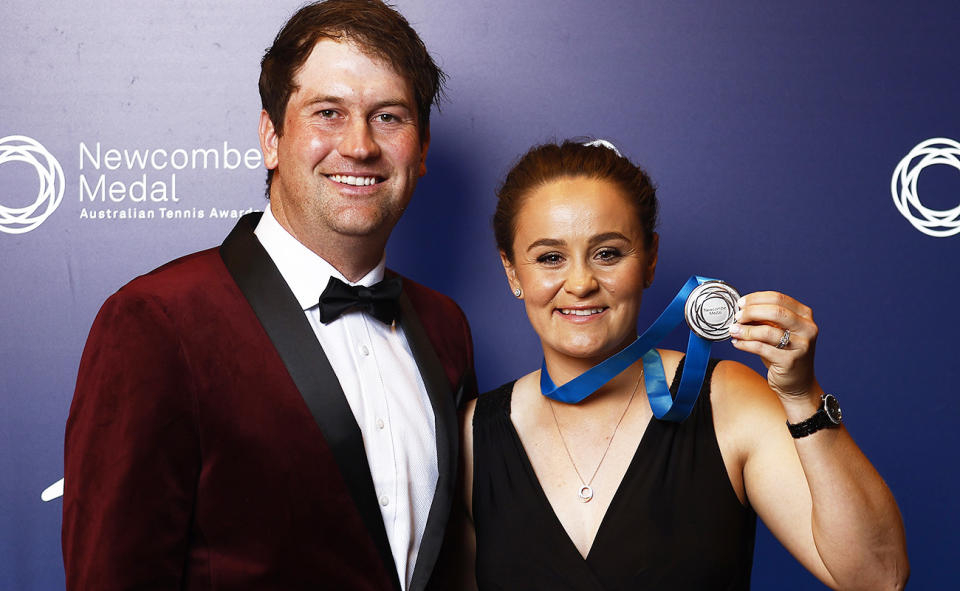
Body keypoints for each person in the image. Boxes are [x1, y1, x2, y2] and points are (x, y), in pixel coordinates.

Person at [62, 2, 476, 590]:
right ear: (271, 137)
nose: (359, 145)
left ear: (422, 148)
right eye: (327, 112)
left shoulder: (444, 327)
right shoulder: (157, 322)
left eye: (388, 116)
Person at [460, 139, 909, 590]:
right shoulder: (472, 435)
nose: (580, 283)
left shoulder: (728, 401)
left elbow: (878, 578)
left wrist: (801, 395)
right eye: (550, 258)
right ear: (513, 271)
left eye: (608, 253)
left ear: (650, 260)